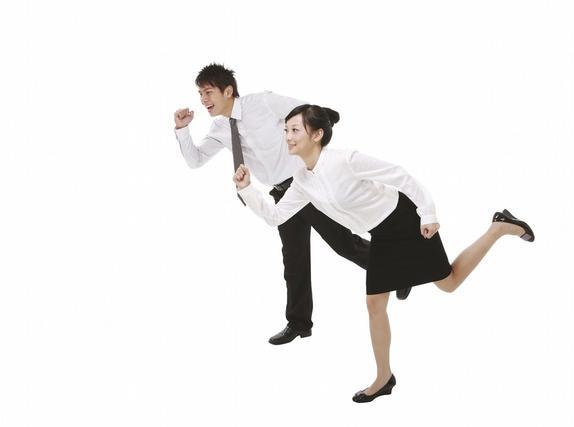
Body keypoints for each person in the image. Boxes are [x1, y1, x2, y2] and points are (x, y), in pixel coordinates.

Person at [232, 104, 535, 402]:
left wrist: (428, 213)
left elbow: (399, 176)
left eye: (295, 130)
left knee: (449, 283)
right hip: (380, 235)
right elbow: (276, 217)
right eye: (286, 130)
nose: (287, 136)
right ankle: (383, 378)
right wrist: (247, 189)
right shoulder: (302, 180)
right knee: (375, 304)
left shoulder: (345, 160)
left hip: (404, 221)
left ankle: (498, 228)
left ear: (317, 134)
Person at [174, 63, 412, 346]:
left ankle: (399, 268)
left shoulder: (263, 103)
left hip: (306, 186)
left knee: (343, 244)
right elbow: (195, 160)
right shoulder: (219, 128)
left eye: (208, 92)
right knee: (294, 259)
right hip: (280, 195)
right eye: (200, 93)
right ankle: (299, 324)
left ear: (227, 91)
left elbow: (307, 112)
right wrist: (182, 130)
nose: (203, 99)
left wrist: (323, 141)